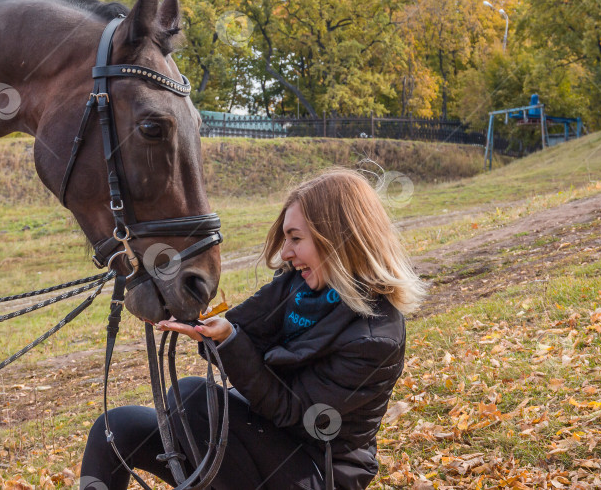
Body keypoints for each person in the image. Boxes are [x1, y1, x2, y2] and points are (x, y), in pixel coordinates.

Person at [80, 168, 426, 490]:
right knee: (114, 429)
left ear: (337, 238)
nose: (286, 252)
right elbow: (239, 327)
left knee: (191, 399)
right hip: (257, 438)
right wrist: (177, 310)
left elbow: (296, 411)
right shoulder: (297, 285)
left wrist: (229, 341)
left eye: (295, 238)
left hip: (318, 468)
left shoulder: (375, 336)